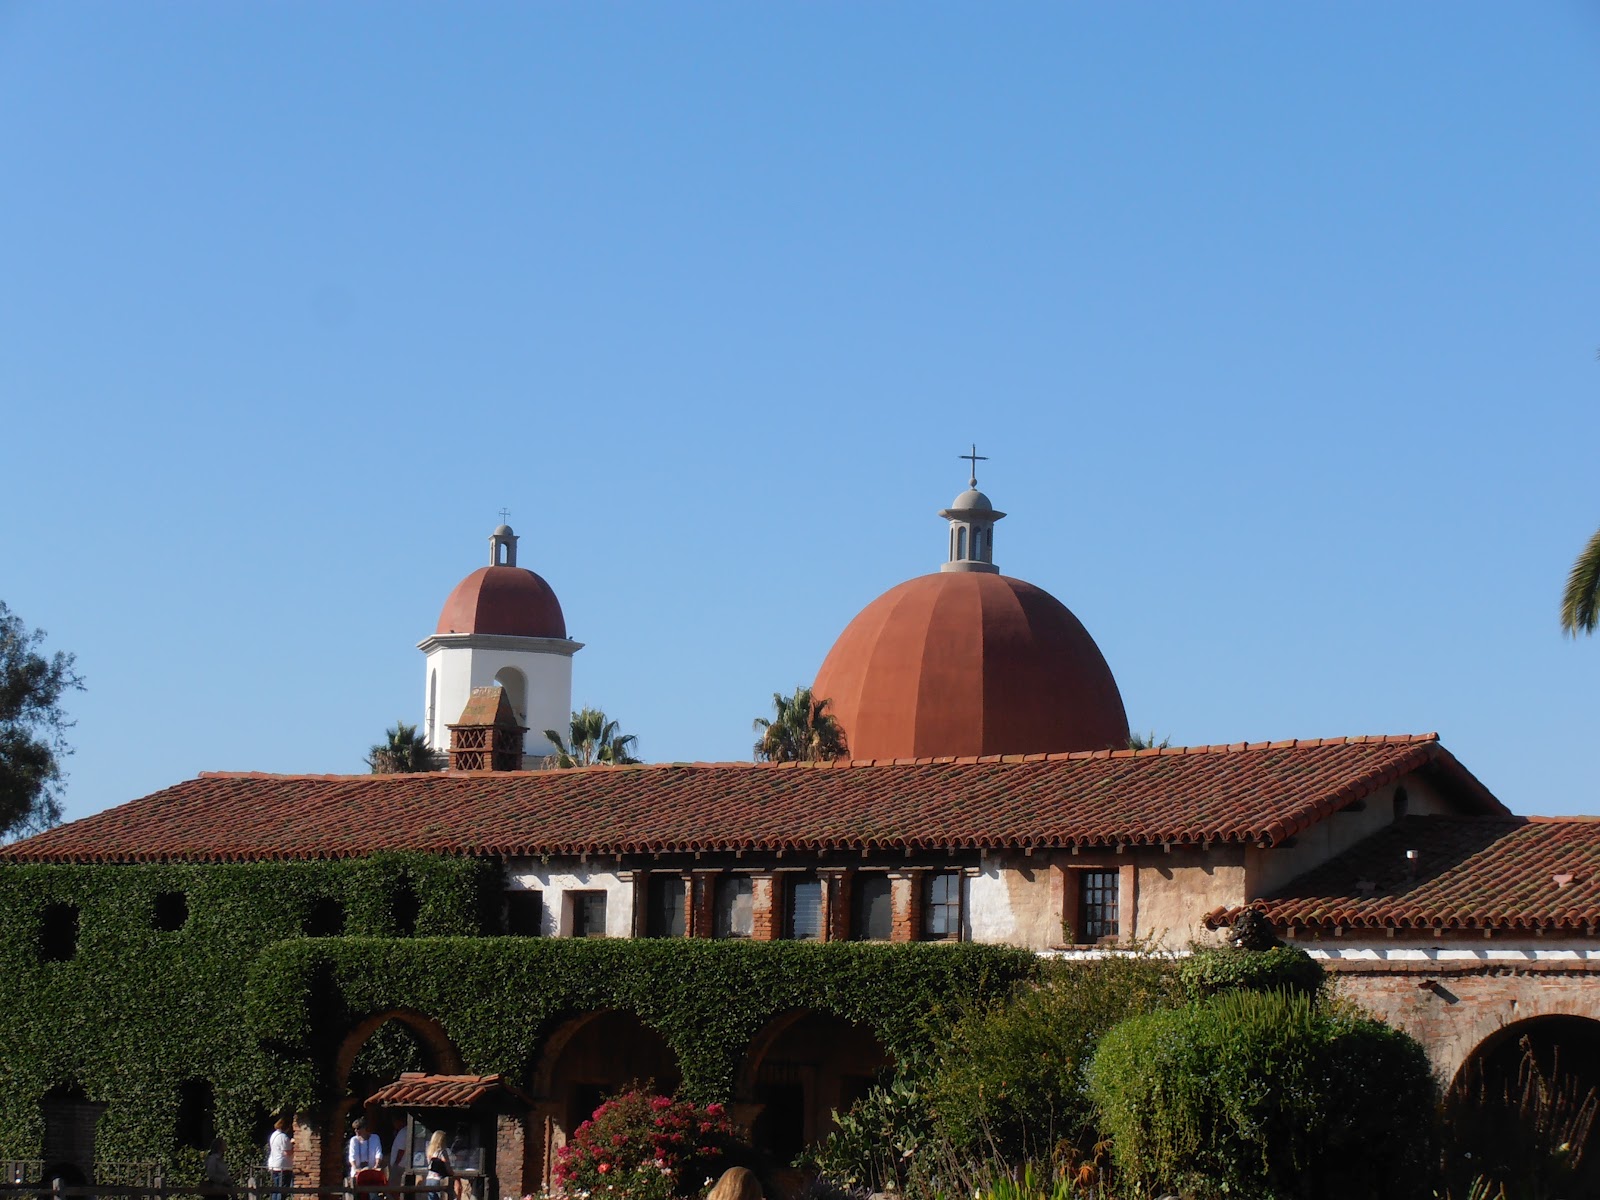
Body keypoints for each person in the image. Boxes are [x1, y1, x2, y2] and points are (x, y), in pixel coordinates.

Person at [347, 1116, 386, 1187]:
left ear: (364, 1128)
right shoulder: (354, 1140)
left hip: (371, 1171)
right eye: (355, 1129)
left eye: (358, 1128)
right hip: (358, 1173)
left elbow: (378, 1153)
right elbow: (352, 1157)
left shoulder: (375, 1138)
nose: (356, 1131)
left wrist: (376, 1166)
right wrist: (355, 1168)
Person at [266, 1117, 294, 1200]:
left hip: (274, 1164)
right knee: (282, 1189)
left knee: (276, 1188)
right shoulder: (283, 1137)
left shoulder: (274, 1134)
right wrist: (293, 1145)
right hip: (283, 1165)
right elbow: (287, 1152)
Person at [423, 1130, 452, 1200]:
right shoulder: (442, 1152)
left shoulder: (429, 1151)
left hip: (429, 1179)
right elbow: (446, 1165)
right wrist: (451, 1173)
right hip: (439, 1179)